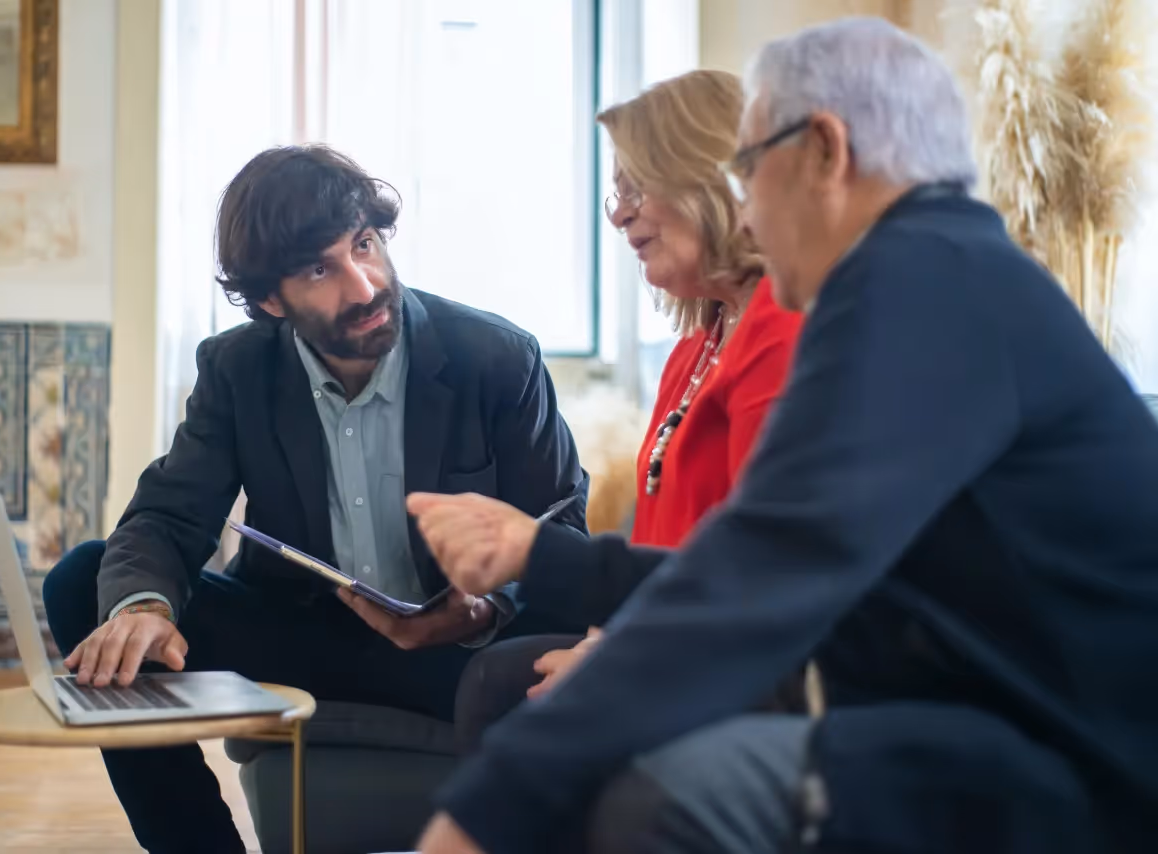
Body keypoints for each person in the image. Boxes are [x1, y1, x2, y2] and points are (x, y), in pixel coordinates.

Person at [412, 17, 1158, 854]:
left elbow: (765, 565)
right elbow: (764, 557)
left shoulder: (912, 285)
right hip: (1014, 727)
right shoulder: (950, 271)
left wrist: (486, 808)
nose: (747, 208)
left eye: (747, 168)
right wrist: (549, 563)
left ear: (824, 152)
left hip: (1076, 768)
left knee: (666, 800)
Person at [40, 144, 589, 854]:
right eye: (319, 269)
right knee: (87, 582)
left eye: (364, 245)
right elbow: (169, 515)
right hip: (307, 634)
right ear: (271, 299)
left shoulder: (497, 357)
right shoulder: (237, 369)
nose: (363, 286)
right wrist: (144, 607)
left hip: (464, 649)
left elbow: (561, 523)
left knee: (550, 660)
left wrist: (484, 604)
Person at [451, 70, 803, 747]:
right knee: (501, 682)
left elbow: (761, 569)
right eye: (617, 192)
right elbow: (656, 544)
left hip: (736, 658)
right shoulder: (694, 350)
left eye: (637, 186)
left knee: (503, 691)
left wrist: (614, 656)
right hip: (672, 629)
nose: (618, 214)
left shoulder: (782, 330)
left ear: (709, 179)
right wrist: (603, 638)